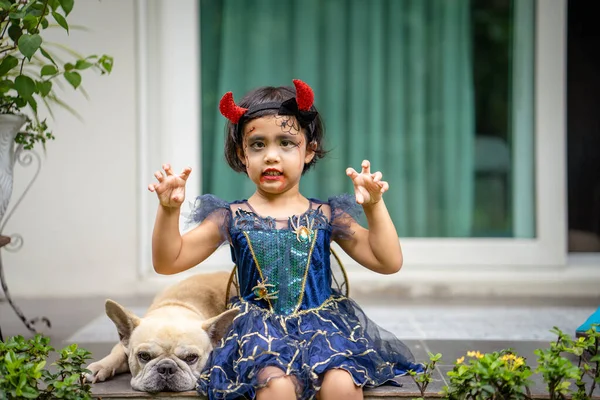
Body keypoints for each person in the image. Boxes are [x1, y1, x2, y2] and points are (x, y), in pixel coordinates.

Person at [148, 79, 423, 400]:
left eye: (286, 143)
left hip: (324, 330)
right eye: (258, 145)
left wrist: (375, 206)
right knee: (276, 386)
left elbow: (388, 261)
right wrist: (169, 210)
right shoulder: (230, 217)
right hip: (257, 334)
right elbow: (168, 262)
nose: (271, 156)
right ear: (242, 155)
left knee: (341, 383)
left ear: (309, 150)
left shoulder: (327, 215)